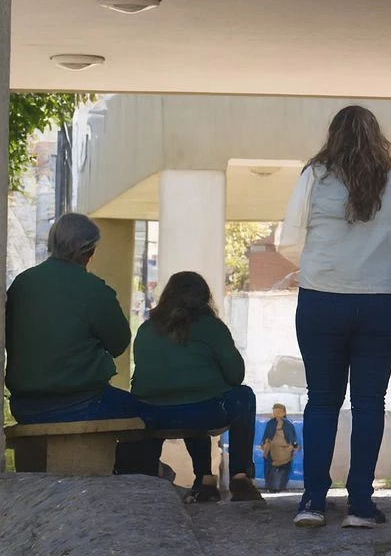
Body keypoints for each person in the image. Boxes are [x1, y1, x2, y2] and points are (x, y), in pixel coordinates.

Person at [277, 104, 391, 530]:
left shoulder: (314, 177)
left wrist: (324, 263)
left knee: (322, 400)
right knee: (369, 402)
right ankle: (360, 504)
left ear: (333, 136)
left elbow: (289, 240)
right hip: (383, 300)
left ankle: (312, 501)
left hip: (323, 298)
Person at [5, 213, 137, 469]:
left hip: (24, 406)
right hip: (82, 403)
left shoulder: (21, 283)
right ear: (88, 252)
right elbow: (120, 342)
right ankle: (136, 482)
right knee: (145, 414)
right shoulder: (92, 288)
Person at [131, 270, 264, 503]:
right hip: (203, 412)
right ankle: (240, 477)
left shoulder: (146, 329)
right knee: (243, 397)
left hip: (153, 415)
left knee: (191, 406)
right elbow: (236, 376)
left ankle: (204, 478)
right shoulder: (212, 327)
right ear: (204, 298)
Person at [261, 404, 301, 493]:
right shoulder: (270, 424)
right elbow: (266, 436)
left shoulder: (288, 424)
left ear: (283, 413)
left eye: (279, 412)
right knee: (271, 470)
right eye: (275, 412)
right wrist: (264, 445)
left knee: (285, 470)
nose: (276, 414)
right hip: (273, 450)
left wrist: (294, 446)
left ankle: (282, 487)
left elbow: (292, 437)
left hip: (285, 450)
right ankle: (271, 487)